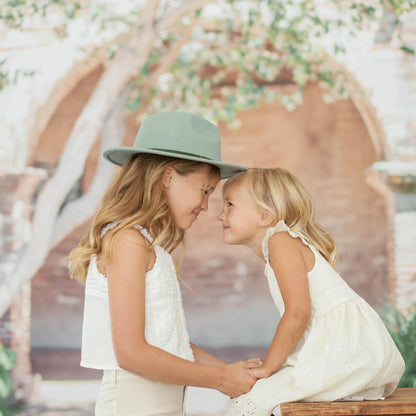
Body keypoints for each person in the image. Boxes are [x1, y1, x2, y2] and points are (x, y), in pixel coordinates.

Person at [68, 111, 262, 416]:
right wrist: (221, 379)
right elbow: (131, 354)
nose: (205, 205)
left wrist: (239, 374)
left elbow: (173, 344)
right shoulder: (127, 241)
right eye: (205, 190)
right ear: (168, 176)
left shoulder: (144, 244)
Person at [219, 167, 405, 416]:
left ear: (264, 216)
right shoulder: (281, 243)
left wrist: (269, 368)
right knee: (258, 398)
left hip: (346, 354)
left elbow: (298, 313)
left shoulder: (280, 241)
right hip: (348, 352)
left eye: (229, 204)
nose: (221, 215)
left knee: (248, 404)